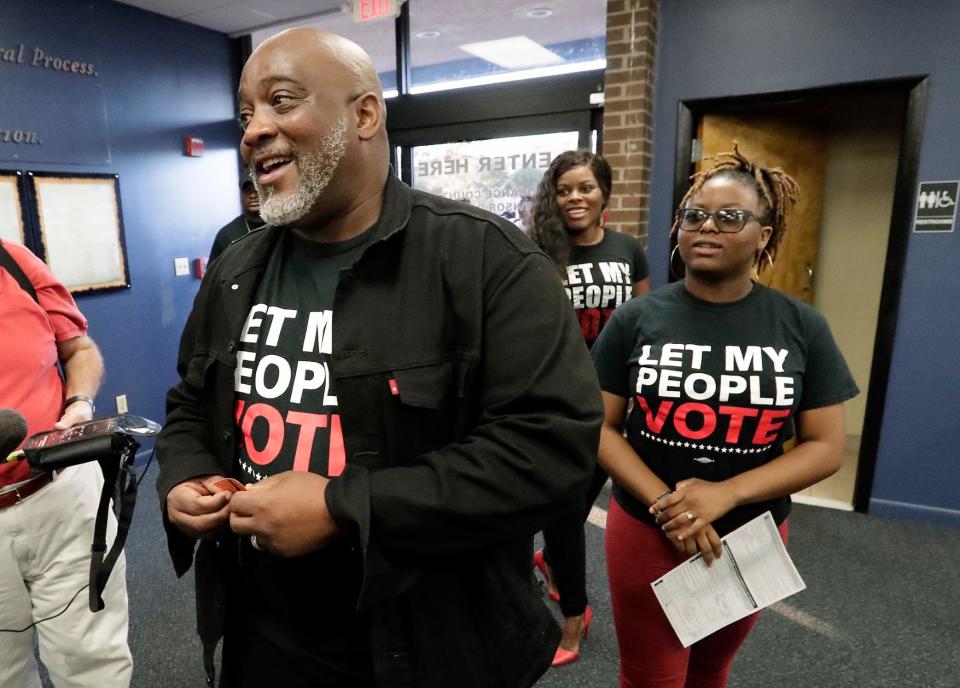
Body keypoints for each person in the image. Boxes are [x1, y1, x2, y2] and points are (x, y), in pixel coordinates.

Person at [155, 27, 601, 688]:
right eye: (247, 114)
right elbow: (191, 400)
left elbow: (547, 454)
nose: (254, 130)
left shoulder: (485, 261)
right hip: (263, 633)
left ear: (364, 114)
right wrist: (186, 475)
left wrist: (344, 507)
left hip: (434, 646)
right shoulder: (236, 271)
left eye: (282, 101)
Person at [591, 144, 858, 687]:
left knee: (711, 671)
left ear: (764, 235)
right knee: (652, 678)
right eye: (694, 216)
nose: (706, 227)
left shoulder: (802, 326)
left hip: (749, 536)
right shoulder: (636, 318)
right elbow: (598, 426)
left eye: (730, 216)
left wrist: (727, 493)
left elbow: (825, 447)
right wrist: (669, 504)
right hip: (649, 529)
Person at [528, 150, 649, 666]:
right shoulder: (540, 251)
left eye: (585, 188)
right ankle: (573, 622)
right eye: (563, 190)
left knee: (573, 509)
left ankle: (553, 561)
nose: (574, 198)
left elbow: (645, 321)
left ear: (604, 194)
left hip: (617, 405)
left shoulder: (628, 250)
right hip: (561, 403)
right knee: (561, 509)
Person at [0, 239, 132, 687]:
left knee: (92, 662)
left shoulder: (15, 262)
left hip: (63, 494)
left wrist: (78, 403)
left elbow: (79, 351)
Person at [208, 176, 265, 262]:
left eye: (257, 189)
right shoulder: (226, 234)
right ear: (240, 196)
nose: (252, 195)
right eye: (247, 191)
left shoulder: (281, 227)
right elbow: (213, 274)